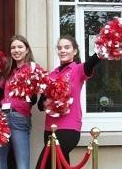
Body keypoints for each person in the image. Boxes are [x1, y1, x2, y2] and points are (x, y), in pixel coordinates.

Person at [35, 35, 101, 169]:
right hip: (49, 128)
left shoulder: (78, 70)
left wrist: (106, 46)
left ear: (74, 51)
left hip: (68, 128)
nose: (62, 50)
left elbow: (93, 61)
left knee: (42, 166)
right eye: (59, 48)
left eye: (66, 47)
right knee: (61, 165)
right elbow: (40, 106)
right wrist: (50, 99)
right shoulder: (51, 75)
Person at [0, 35, 38, 169]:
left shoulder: (33, 69)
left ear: (27, 50)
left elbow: (34, 99)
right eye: (13, 47)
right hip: (1, 117)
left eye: (20, 47)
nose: (16, 50)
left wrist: (29, 91)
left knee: (22, 164)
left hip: (19, 117)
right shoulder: (9, 70)